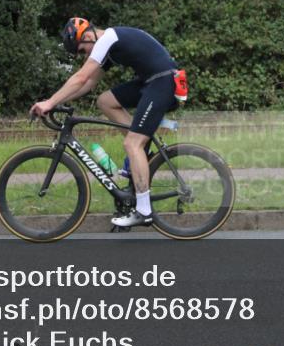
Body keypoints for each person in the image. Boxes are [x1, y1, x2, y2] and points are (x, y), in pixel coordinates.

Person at [30, 17, 180, 227]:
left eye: (82, 51)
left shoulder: (108, 38)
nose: (84, 56)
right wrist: (55, 102)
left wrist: (49, 102)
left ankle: (144, 211)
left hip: (163, 81)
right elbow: (88, 84)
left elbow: (81, 78)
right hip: (153, 81)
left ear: (89, 36)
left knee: (131, 144)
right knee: (105, 101)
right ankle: (140, 144)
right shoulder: (108, 49)